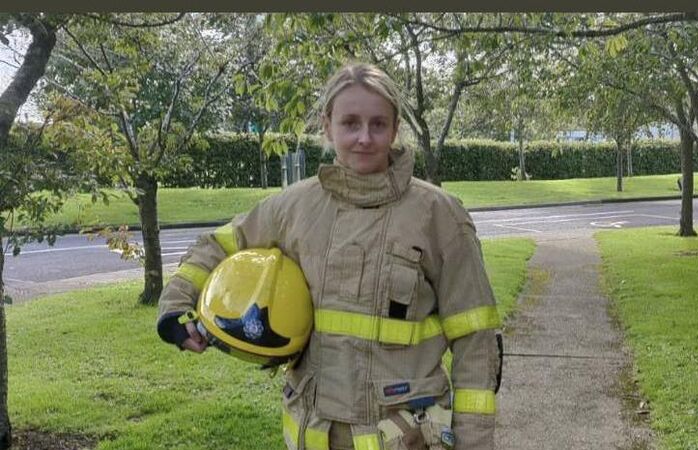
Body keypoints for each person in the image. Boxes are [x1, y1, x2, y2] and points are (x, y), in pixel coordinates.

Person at [157, 62, 502, 450]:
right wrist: (175, 308)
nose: (364, 138)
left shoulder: (439, 215)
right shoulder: (295, 207)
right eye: (350, 123)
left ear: (395, 129)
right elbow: (218, 244)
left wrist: (473, 442)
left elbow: (476, 338)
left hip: (405, 438)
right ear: (327, 126)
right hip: (313, 434)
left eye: (378, 124)